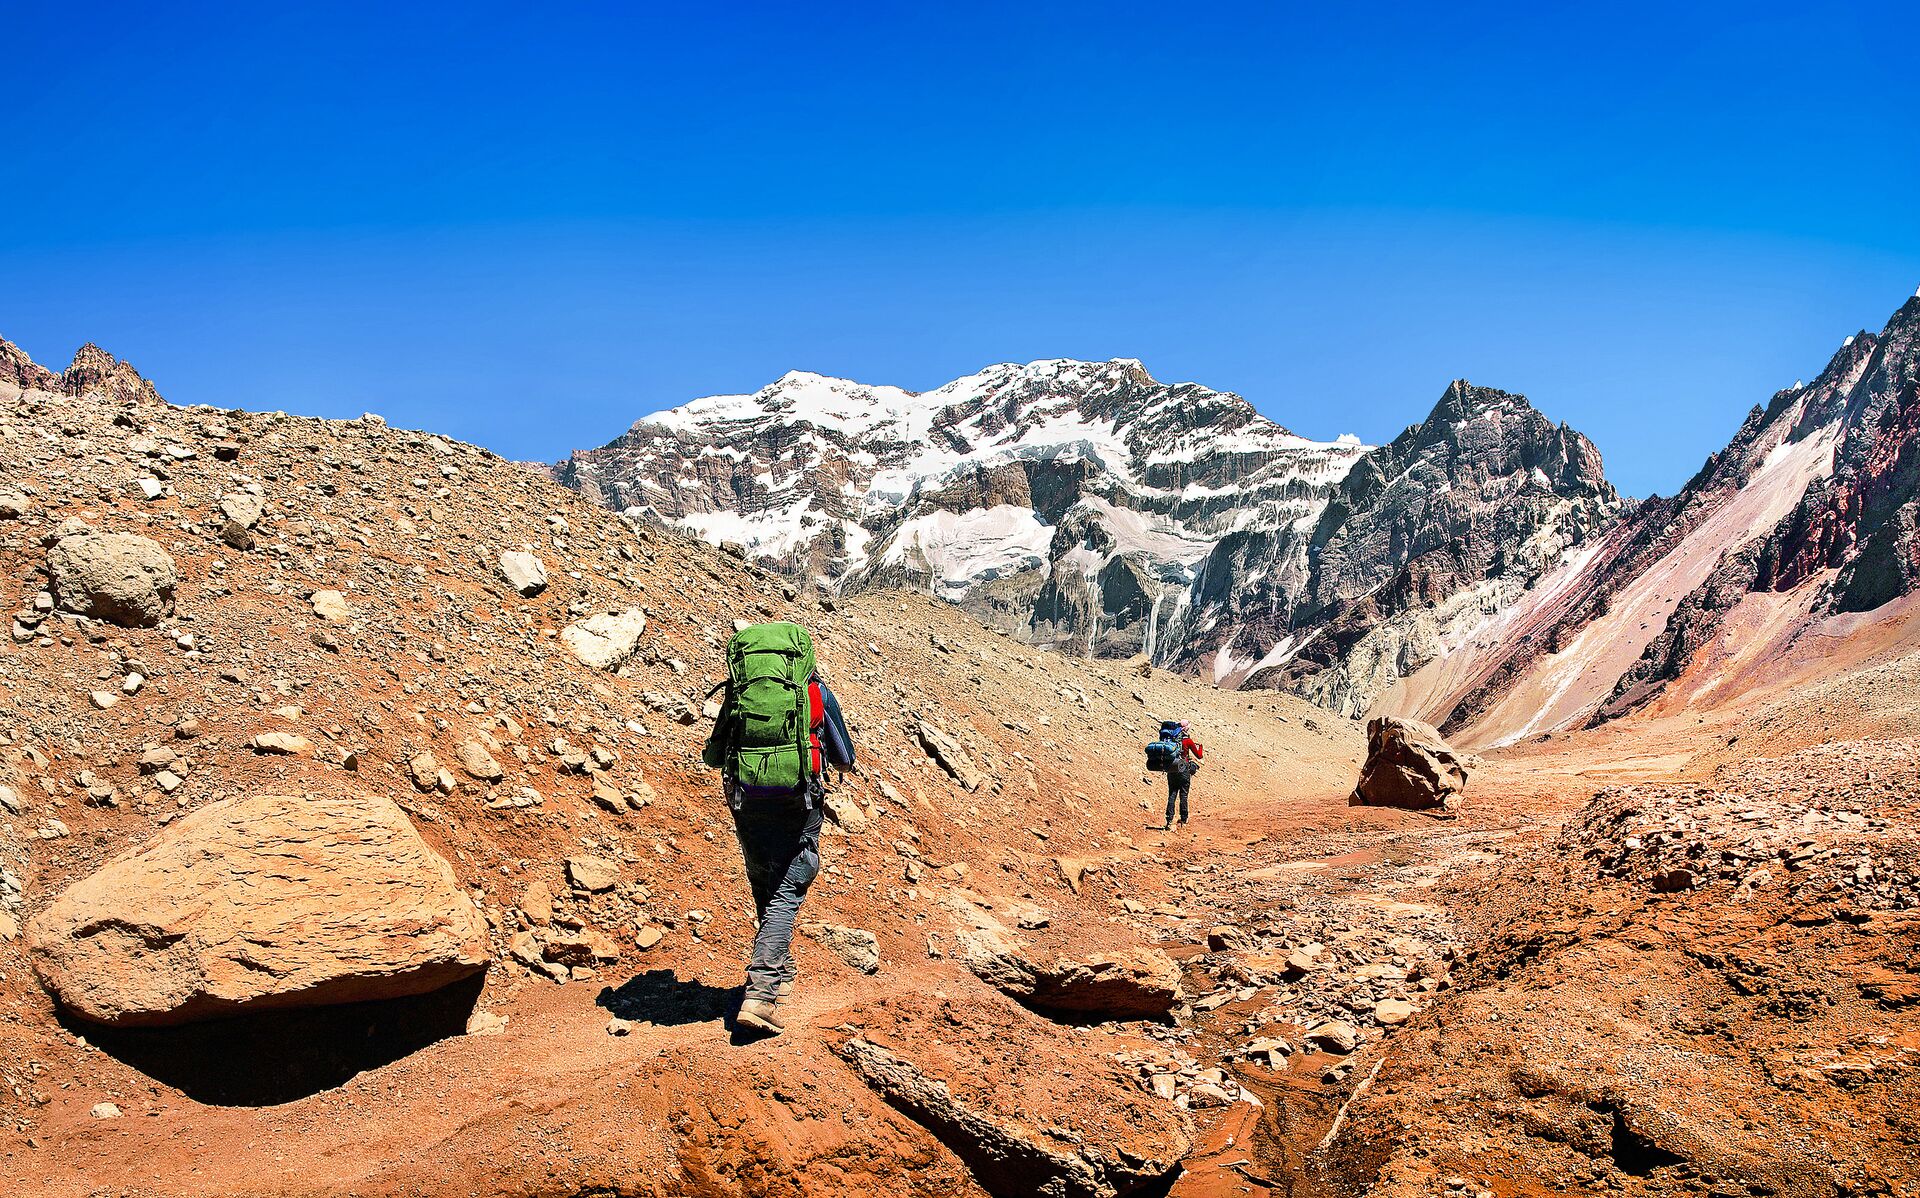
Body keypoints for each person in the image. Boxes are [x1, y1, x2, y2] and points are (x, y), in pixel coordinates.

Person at [701, 622, 854, 1037]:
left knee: (763, 876)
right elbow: (844, 758)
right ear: (800, 658)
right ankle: (762, 994)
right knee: (791, 881)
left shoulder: (738, 693)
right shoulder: (814, 693)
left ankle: (779, 972)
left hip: (746, 799)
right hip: (798, 799)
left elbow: (713, 756)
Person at [1164, 720, 1203, 829]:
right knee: (1183, 794)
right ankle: (1184, 819)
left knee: (1172, 794)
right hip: (1183, 769)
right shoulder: (1188, 741)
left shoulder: (1170, 740)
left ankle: (1169, 820)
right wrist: (1201, 747)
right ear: (1186, 729)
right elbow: (1199, 756)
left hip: (1171, 768)